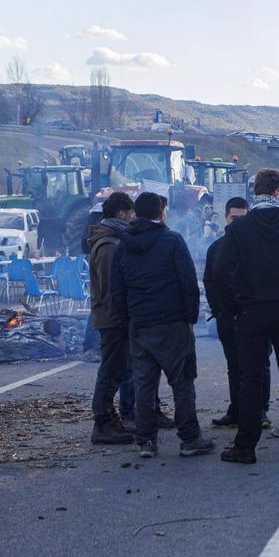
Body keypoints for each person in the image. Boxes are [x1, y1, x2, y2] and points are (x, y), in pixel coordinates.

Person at [216, 169, 279, 464]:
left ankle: (245, 446)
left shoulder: (239, 228)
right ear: (278, 192)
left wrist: (233, 305)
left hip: (250, 312)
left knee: (251, 379)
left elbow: (221, 270)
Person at [111, 192, 214, 458]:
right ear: (161, 213)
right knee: (182, 384)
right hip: (172, 325)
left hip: (139, 325)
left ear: (136, 214)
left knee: (144, 385)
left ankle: (146, 441)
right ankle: (189, 439)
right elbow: (188, 283)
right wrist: (191, 318)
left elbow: (117, 291)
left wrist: (126, 321)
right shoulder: (172, 241)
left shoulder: (123, 246)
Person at [203, 196, 271, 430]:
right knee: (234, 365)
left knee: (259, 363)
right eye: (234, 218)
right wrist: (220, 310)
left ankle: (260, 410)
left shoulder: (259, 246)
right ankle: (237, 409)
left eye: (242, 218)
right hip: (228, 317)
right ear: (226, 218)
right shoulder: (216, 248)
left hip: (256, 315)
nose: (237, 223)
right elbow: (210, 282)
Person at [88, 192, 137, 444]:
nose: (133, 219)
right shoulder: (108, 246)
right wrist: (122, 317)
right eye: (131, 214)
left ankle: (109, 418)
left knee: (116, 369)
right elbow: (110, 288)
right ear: (121, 214)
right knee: (111, 371)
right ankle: (103, 423)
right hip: (112, 319)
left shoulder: (113, 240)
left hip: (113, 317)